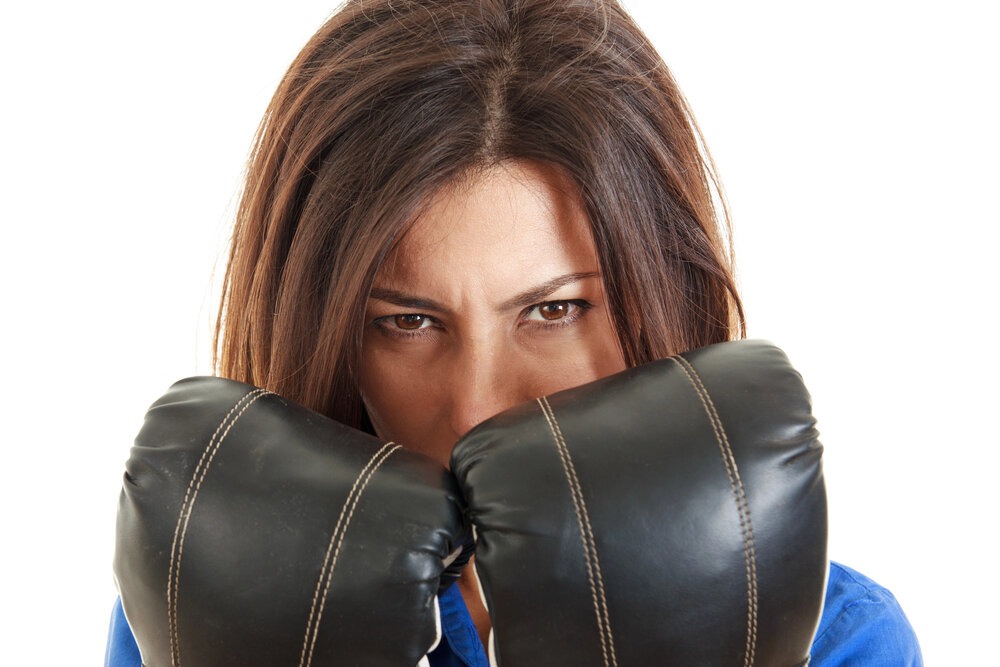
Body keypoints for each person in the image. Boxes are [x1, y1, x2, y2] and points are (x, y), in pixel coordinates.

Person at [106, 0, 922, 664]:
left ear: (657, 298)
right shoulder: (206, 594)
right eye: (409, 321)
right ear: (326, 330)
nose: (476, 406)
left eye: (553, 309)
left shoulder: (842, 639)